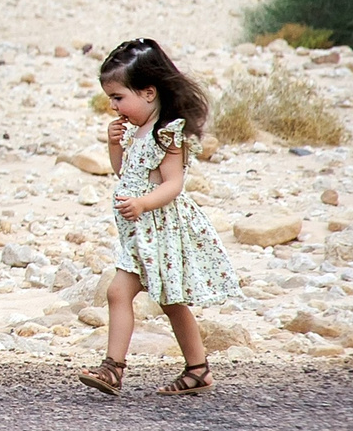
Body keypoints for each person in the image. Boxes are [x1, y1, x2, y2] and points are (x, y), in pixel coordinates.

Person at [77, 38, 240, 398]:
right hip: (138, 234)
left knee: (169, 300)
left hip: (161, 230)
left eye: (119, 98)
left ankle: (192, 369)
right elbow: (124, 172)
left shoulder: (168, 133)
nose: (114, 106)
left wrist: (143, 204)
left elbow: (173, 185)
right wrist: (114, 145)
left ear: (148, 92)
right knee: (120, 292)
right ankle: (117, 369)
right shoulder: (136, 132)